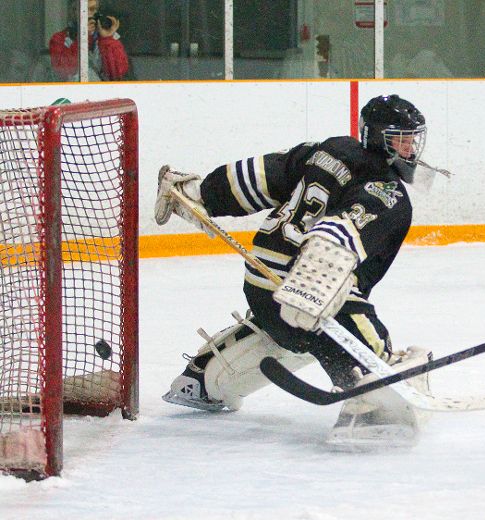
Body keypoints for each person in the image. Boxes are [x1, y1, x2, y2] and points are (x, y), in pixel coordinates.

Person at [155, 95, 435, 448]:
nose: (410, 149)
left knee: (288, 333)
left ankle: (206, 376)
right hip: (308, 286)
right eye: (401, 139)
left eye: (413, 139)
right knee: (346, 324)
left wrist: (201, 194)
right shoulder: (388, 192)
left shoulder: (328, 150)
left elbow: (263, 176)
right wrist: (311, 286)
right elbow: (337, 236)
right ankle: (373, 401)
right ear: (379, 137)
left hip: (260, 282)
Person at [49, 0, 129, 81]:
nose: (94, 14)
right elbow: (63, 72)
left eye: (95, 9)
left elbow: (118, 74)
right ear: (74, 12)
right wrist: (83, 37)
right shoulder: (60, 39)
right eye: (88, 10)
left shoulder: (108, 37)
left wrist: (107, 40)